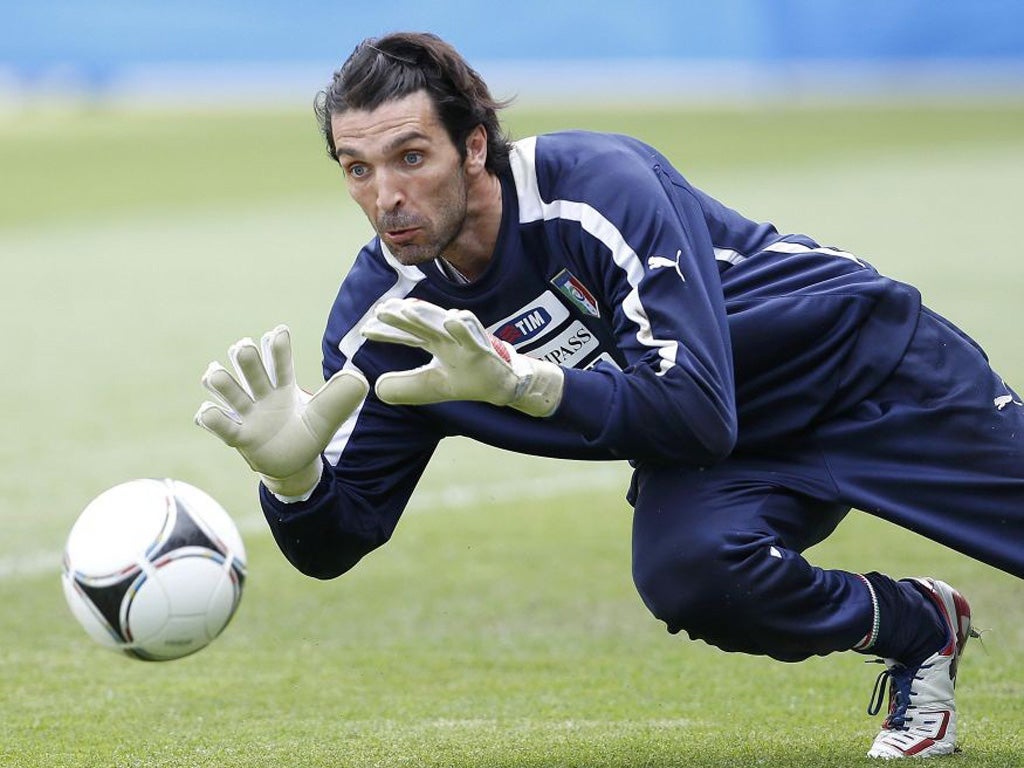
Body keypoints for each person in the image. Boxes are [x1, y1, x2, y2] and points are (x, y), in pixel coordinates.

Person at [195, 31, 1023, 759]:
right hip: (730, 451)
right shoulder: (388, 320)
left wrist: (526, 385)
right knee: (693, 574)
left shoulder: (597, 187)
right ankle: (919, 626)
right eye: (357, 169)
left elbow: (697, 410)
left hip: (865, 369)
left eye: (411, 157)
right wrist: (292, 479)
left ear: (474, 146)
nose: (385, 197)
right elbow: (340, 540)